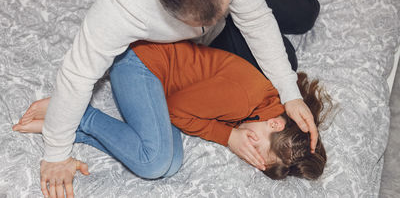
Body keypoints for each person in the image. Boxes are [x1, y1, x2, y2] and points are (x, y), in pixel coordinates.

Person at [30, 0, 321, 197]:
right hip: (146, 59)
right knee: (157, 161)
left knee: (292, 41)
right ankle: (81, 118)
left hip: (199, 39)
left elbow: (255, 19)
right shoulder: (123, 4)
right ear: (168, 11)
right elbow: (76, 75)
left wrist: (289, 90)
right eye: (203, 22)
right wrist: (56, 153)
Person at [14, 40, 329, 182]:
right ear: (275, 123)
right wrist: (228, 135)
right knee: (154, 161)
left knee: (171, 164)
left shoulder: (262, 108)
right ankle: (78, 116)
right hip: (140, 62)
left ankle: (75, 129)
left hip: (162, 83)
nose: (248, 149)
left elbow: (184, 110)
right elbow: (175, 109)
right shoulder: (244, 96)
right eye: (255, 146)